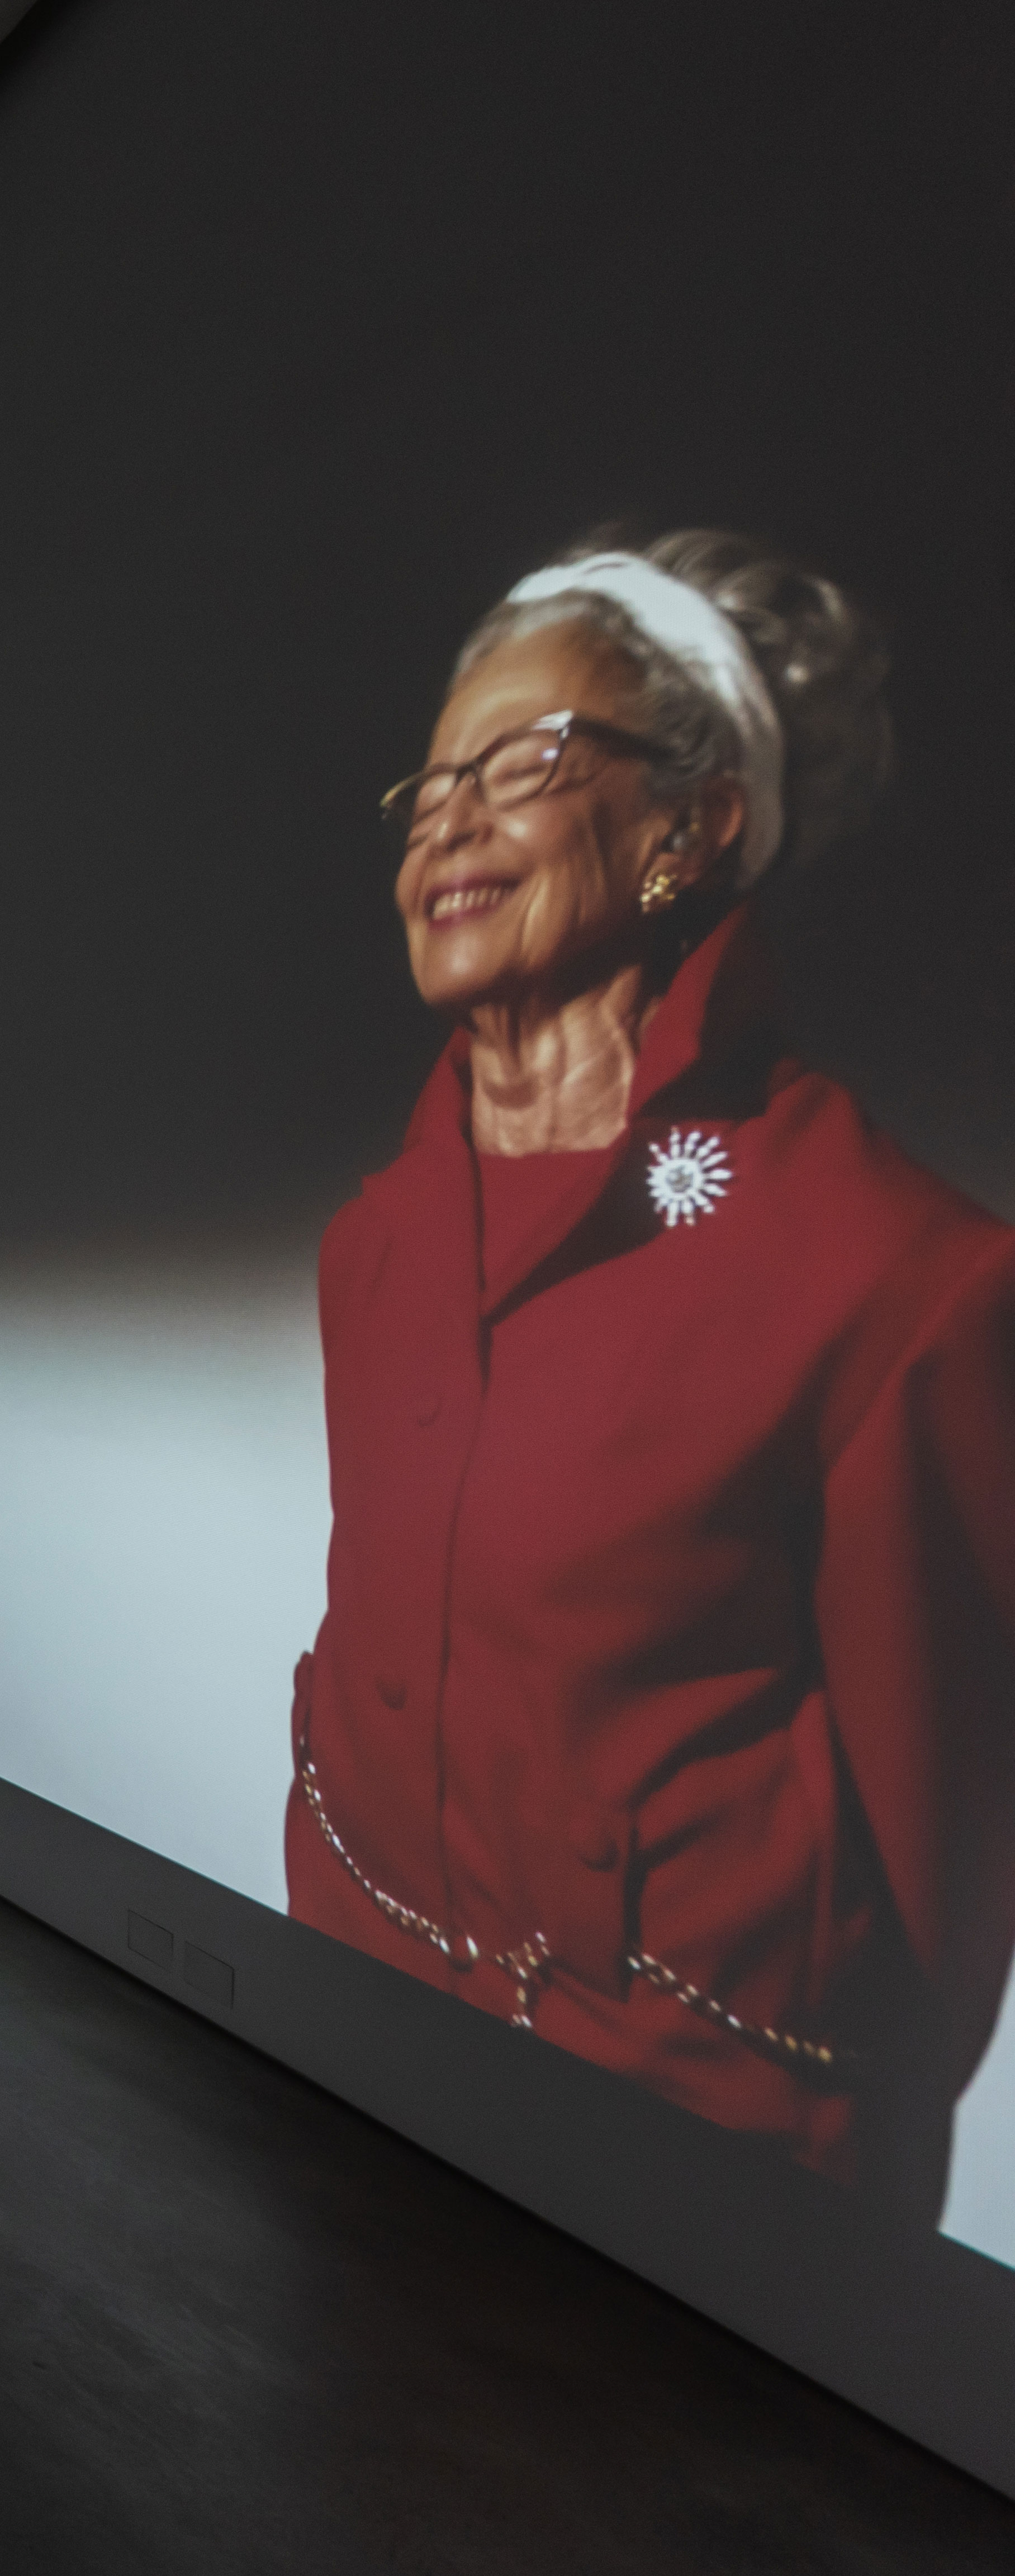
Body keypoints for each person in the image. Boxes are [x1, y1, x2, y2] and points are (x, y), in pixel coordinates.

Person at [288, 531, 1015, 2217]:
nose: (446, 816)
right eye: (428, 783)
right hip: (345, 2080)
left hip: (680, 2188)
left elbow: (942, 1881)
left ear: (693, 828)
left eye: (523, 761)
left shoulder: (886, 1275)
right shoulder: (372, 1247)